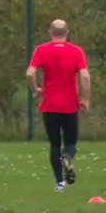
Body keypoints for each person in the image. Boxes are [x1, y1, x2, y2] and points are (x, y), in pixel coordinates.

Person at [26, 18, 91, 193]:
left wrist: (35, 89)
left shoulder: (41, 50)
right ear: (67, 33)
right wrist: (85, 99)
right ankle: (68, 157)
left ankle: (59, 183)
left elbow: (30, 72)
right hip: (69, 105)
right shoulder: (76, 51)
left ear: (50, 33)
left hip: (50, 105)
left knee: (54, 144)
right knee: (70, 142)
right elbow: (85, 76)